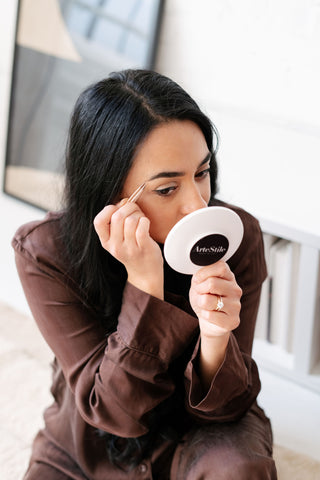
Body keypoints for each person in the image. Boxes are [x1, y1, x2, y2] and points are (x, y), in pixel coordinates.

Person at [12, 69, 277, 479]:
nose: (198, 204)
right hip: (89, 443)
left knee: (237, 468)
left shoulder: (236, 238)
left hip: (200, 436)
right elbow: (113, 414)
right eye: (167, 189)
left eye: (202, 173)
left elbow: (226, 409)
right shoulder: (46, 253)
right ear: (110, 195)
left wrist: (215, 337)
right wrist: (145, 285)